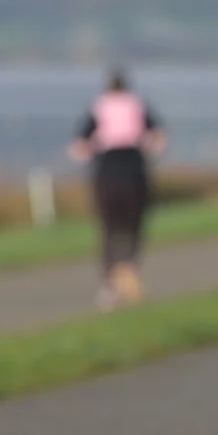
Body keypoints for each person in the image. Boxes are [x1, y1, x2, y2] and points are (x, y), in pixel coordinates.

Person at [72, 69, 164, 308]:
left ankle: (111, 283)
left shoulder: (99, 106)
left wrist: (94, 150)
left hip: (107, 170)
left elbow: (79, 146)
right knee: (133, 227)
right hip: (134, 168)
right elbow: (158, 138)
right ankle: (129, 272)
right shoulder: (137, 104)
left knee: (109, 230)